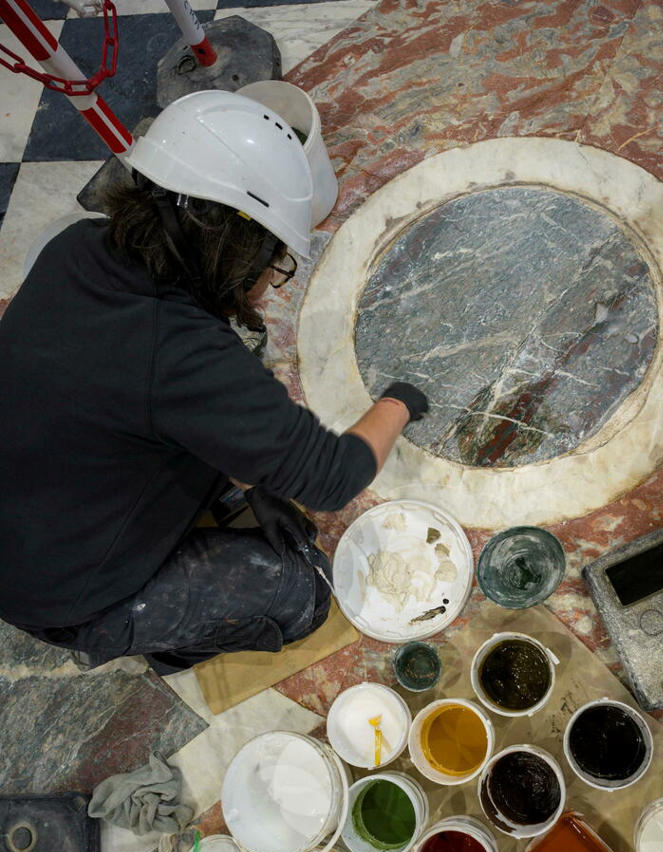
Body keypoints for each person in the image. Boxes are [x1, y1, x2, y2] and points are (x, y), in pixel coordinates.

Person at [0, 90, 428, 674]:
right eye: (275, 261)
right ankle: (149, 635)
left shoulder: (76, 245)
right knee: (302, 600)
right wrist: (402, 400)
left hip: (35, 499)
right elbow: (333, 477)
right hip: (60, 591)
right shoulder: (183, 353)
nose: (268, 283)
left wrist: (258, 486)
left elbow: (162, 395)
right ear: (238, 247)